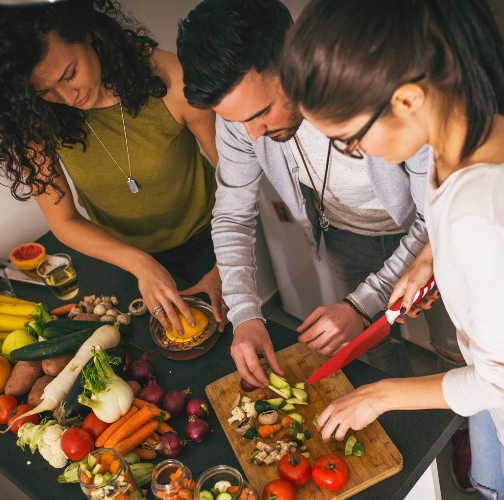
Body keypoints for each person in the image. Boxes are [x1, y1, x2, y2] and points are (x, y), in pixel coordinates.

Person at [280, 0, 504, 498]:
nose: (357, 153)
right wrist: (431, 257)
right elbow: (467, 222)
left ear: (406, 100)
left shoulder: (487, 218)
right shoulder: (488, 112)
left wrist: (379, 396)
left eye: (349, 139)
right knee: (486, 485)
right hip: (495, 385)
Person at [176, 0, 462, 386]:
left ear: (293, 62)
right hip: (349, 233)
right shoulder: (241, 122)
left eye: (260, 113)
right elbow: (231, 216)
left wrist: (362, 305)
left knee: (457, 342)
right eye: (234, 121)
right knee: (369, 345)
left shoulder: (382, 90)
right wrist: (245, 313)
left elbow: (438, 215)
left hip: (441, 229)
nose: (253, 135)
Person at [0, 0, 227, 333]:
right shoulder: (33, 117)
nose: (67, 97)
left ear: (88, 34)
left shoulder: (171, 79)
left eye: (70, 75)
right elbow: (63, 219)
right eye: (45, 90)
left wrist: (226, 265)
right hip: (120, 253)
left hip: (211, 237)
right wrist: (140, 264)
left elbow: (237, 180)